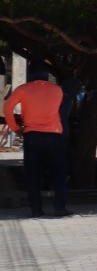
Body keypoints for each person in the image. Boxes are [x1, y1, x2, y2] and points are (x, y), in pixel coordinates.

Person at [4, 66, 71, 217]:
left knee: (32, 174)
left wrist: (16, 128)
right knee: (59, 173)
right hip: (54, 136)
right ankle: (60, 207)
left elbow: (7, 106)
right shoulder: (57, 90)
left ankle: (36, 210)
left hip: (32, 136)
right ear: (47, 76)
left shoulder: (23, 89)